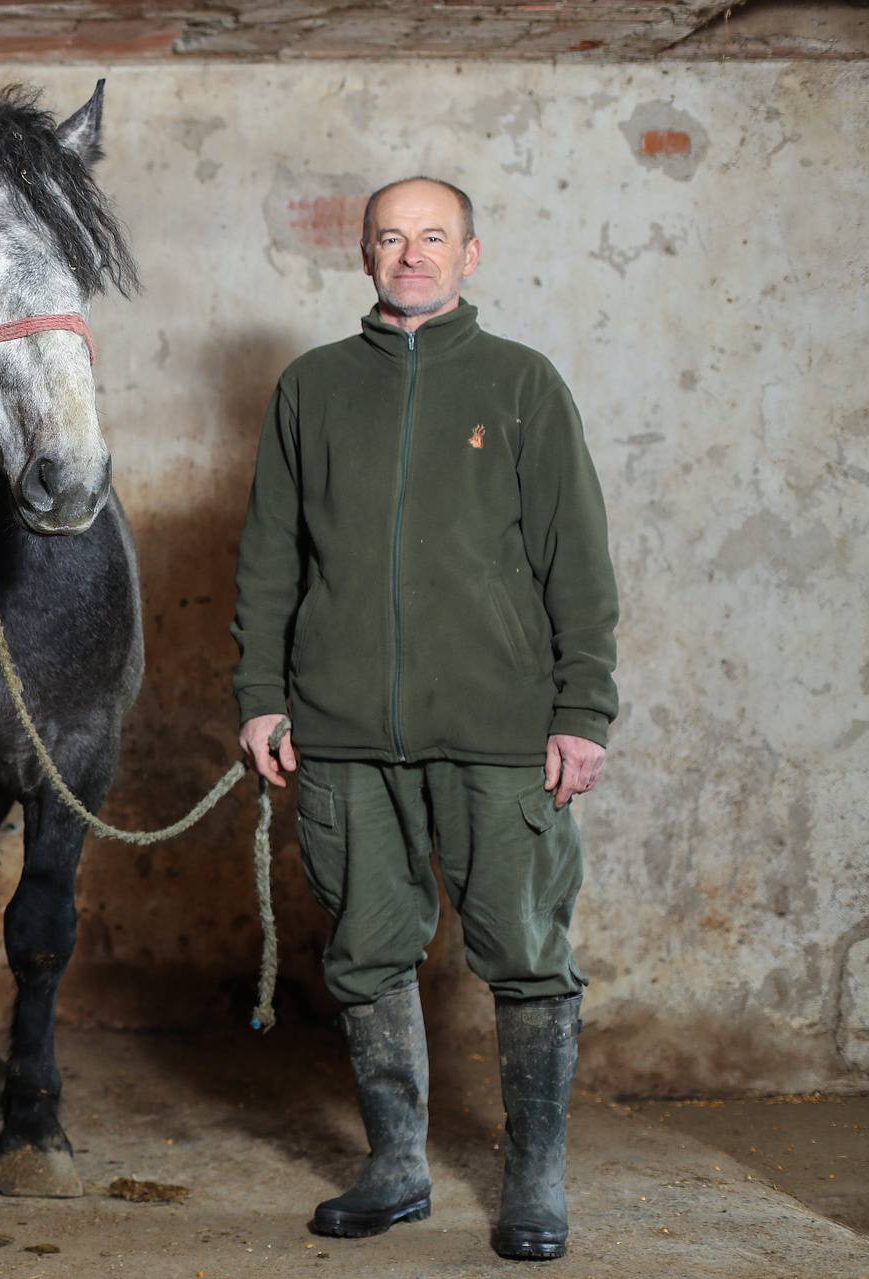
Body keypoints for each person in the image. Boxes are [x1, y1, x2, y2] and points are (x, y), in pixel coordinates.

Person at [231, 176, 619, 1263]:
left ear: (471, 254)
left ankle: (534, 1179)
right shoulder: (310, 388)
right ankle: (397, 1165)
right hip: (344, 732)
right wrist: (261, 696)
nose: (412, 255)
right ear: (364, 256)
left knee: (529, 955)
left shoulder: (522, 384)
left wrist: (580, 710)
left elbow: (578, 565)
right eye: (391, 238)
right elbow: (269, 559)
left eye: (433, 237)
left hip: (501, 732)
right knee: (365, 952)